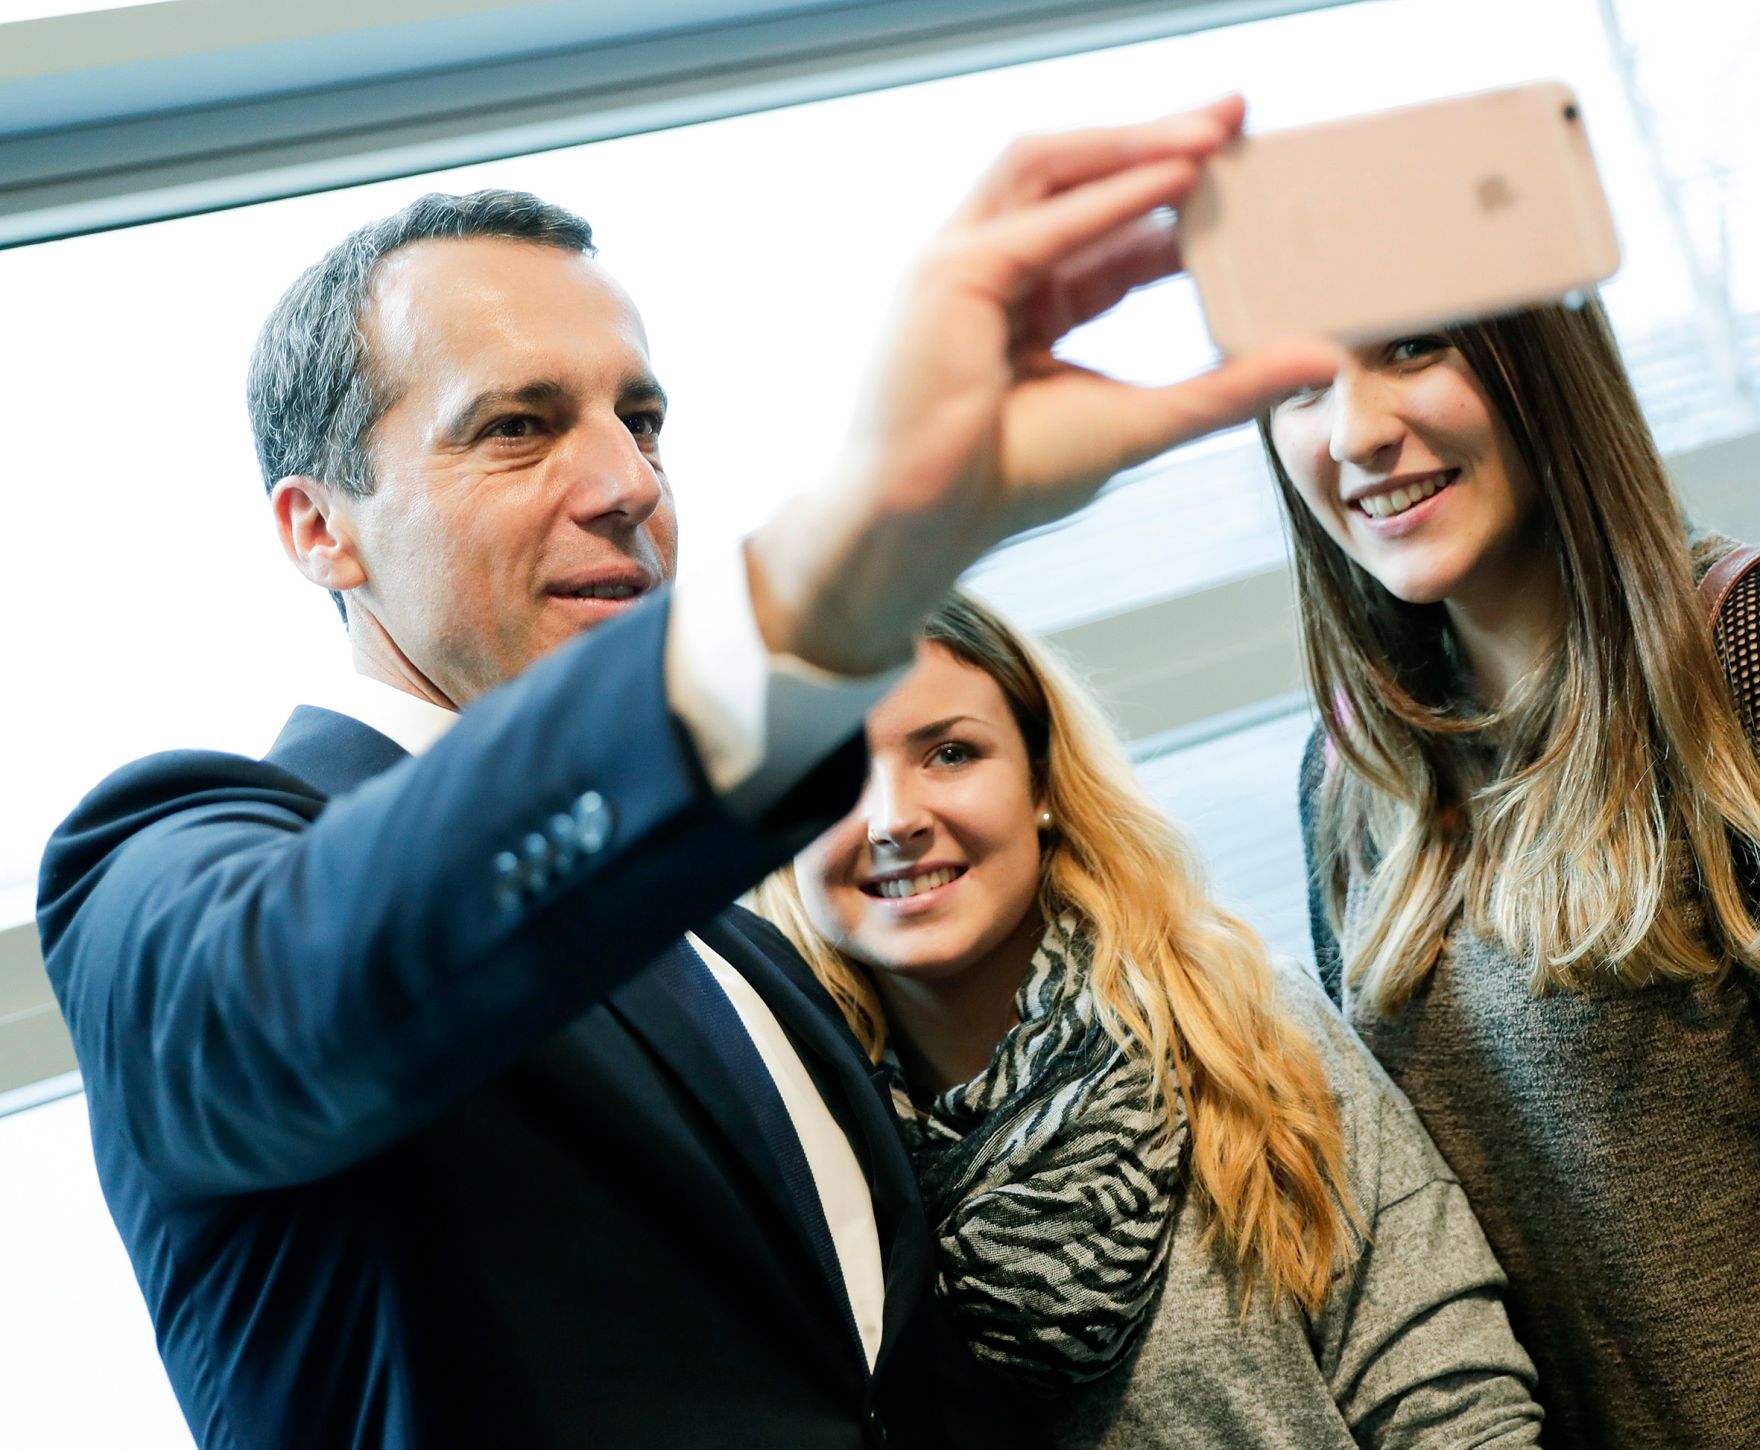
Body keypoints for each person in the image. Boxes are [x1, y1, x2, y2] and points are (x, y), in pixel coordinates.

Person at [34, 101, 1340, 1450]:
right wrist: (854, 544)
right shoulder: (167, 864)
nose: (626, 481)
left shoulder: (735, 930)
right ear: (321, 530)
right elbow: (305, 989)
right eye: (518, 427)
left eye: (641, 419)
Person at [751, 591, 1544, 1449]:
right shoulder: (801, 1157)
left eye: (949, 753)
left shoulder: (1242, 1028)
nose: (894, 819)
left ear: (1042, 783)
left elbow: (1450, 1401)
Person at [1263, 300, 1760, 1448]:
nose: (1352, 434)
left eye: (1409, 346)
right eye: (1295, 386)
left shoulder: (1734, 654)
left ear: (1541, 350)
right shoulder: (1346, 779)